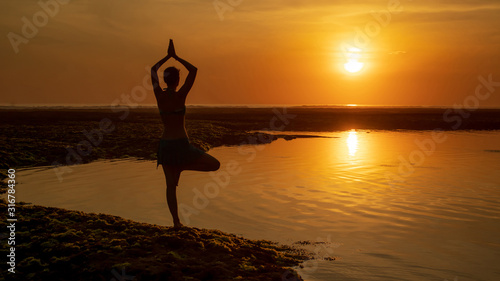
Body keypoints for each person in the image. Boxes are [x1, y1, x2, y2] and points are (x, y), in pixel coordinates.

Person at [151, 39, 220, 228]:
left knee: (170, 186)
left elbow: (152, 70)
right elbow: (194, 70)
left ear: (165, 80)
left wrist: (167, 57)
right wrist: (176, 56)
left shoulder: (159, 96)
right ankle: (183, 167)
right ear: (177, 80)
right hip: (180, 145)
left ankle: (176, 222)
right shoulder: (181, 95)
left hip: (166, 145)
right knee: (214, 165)